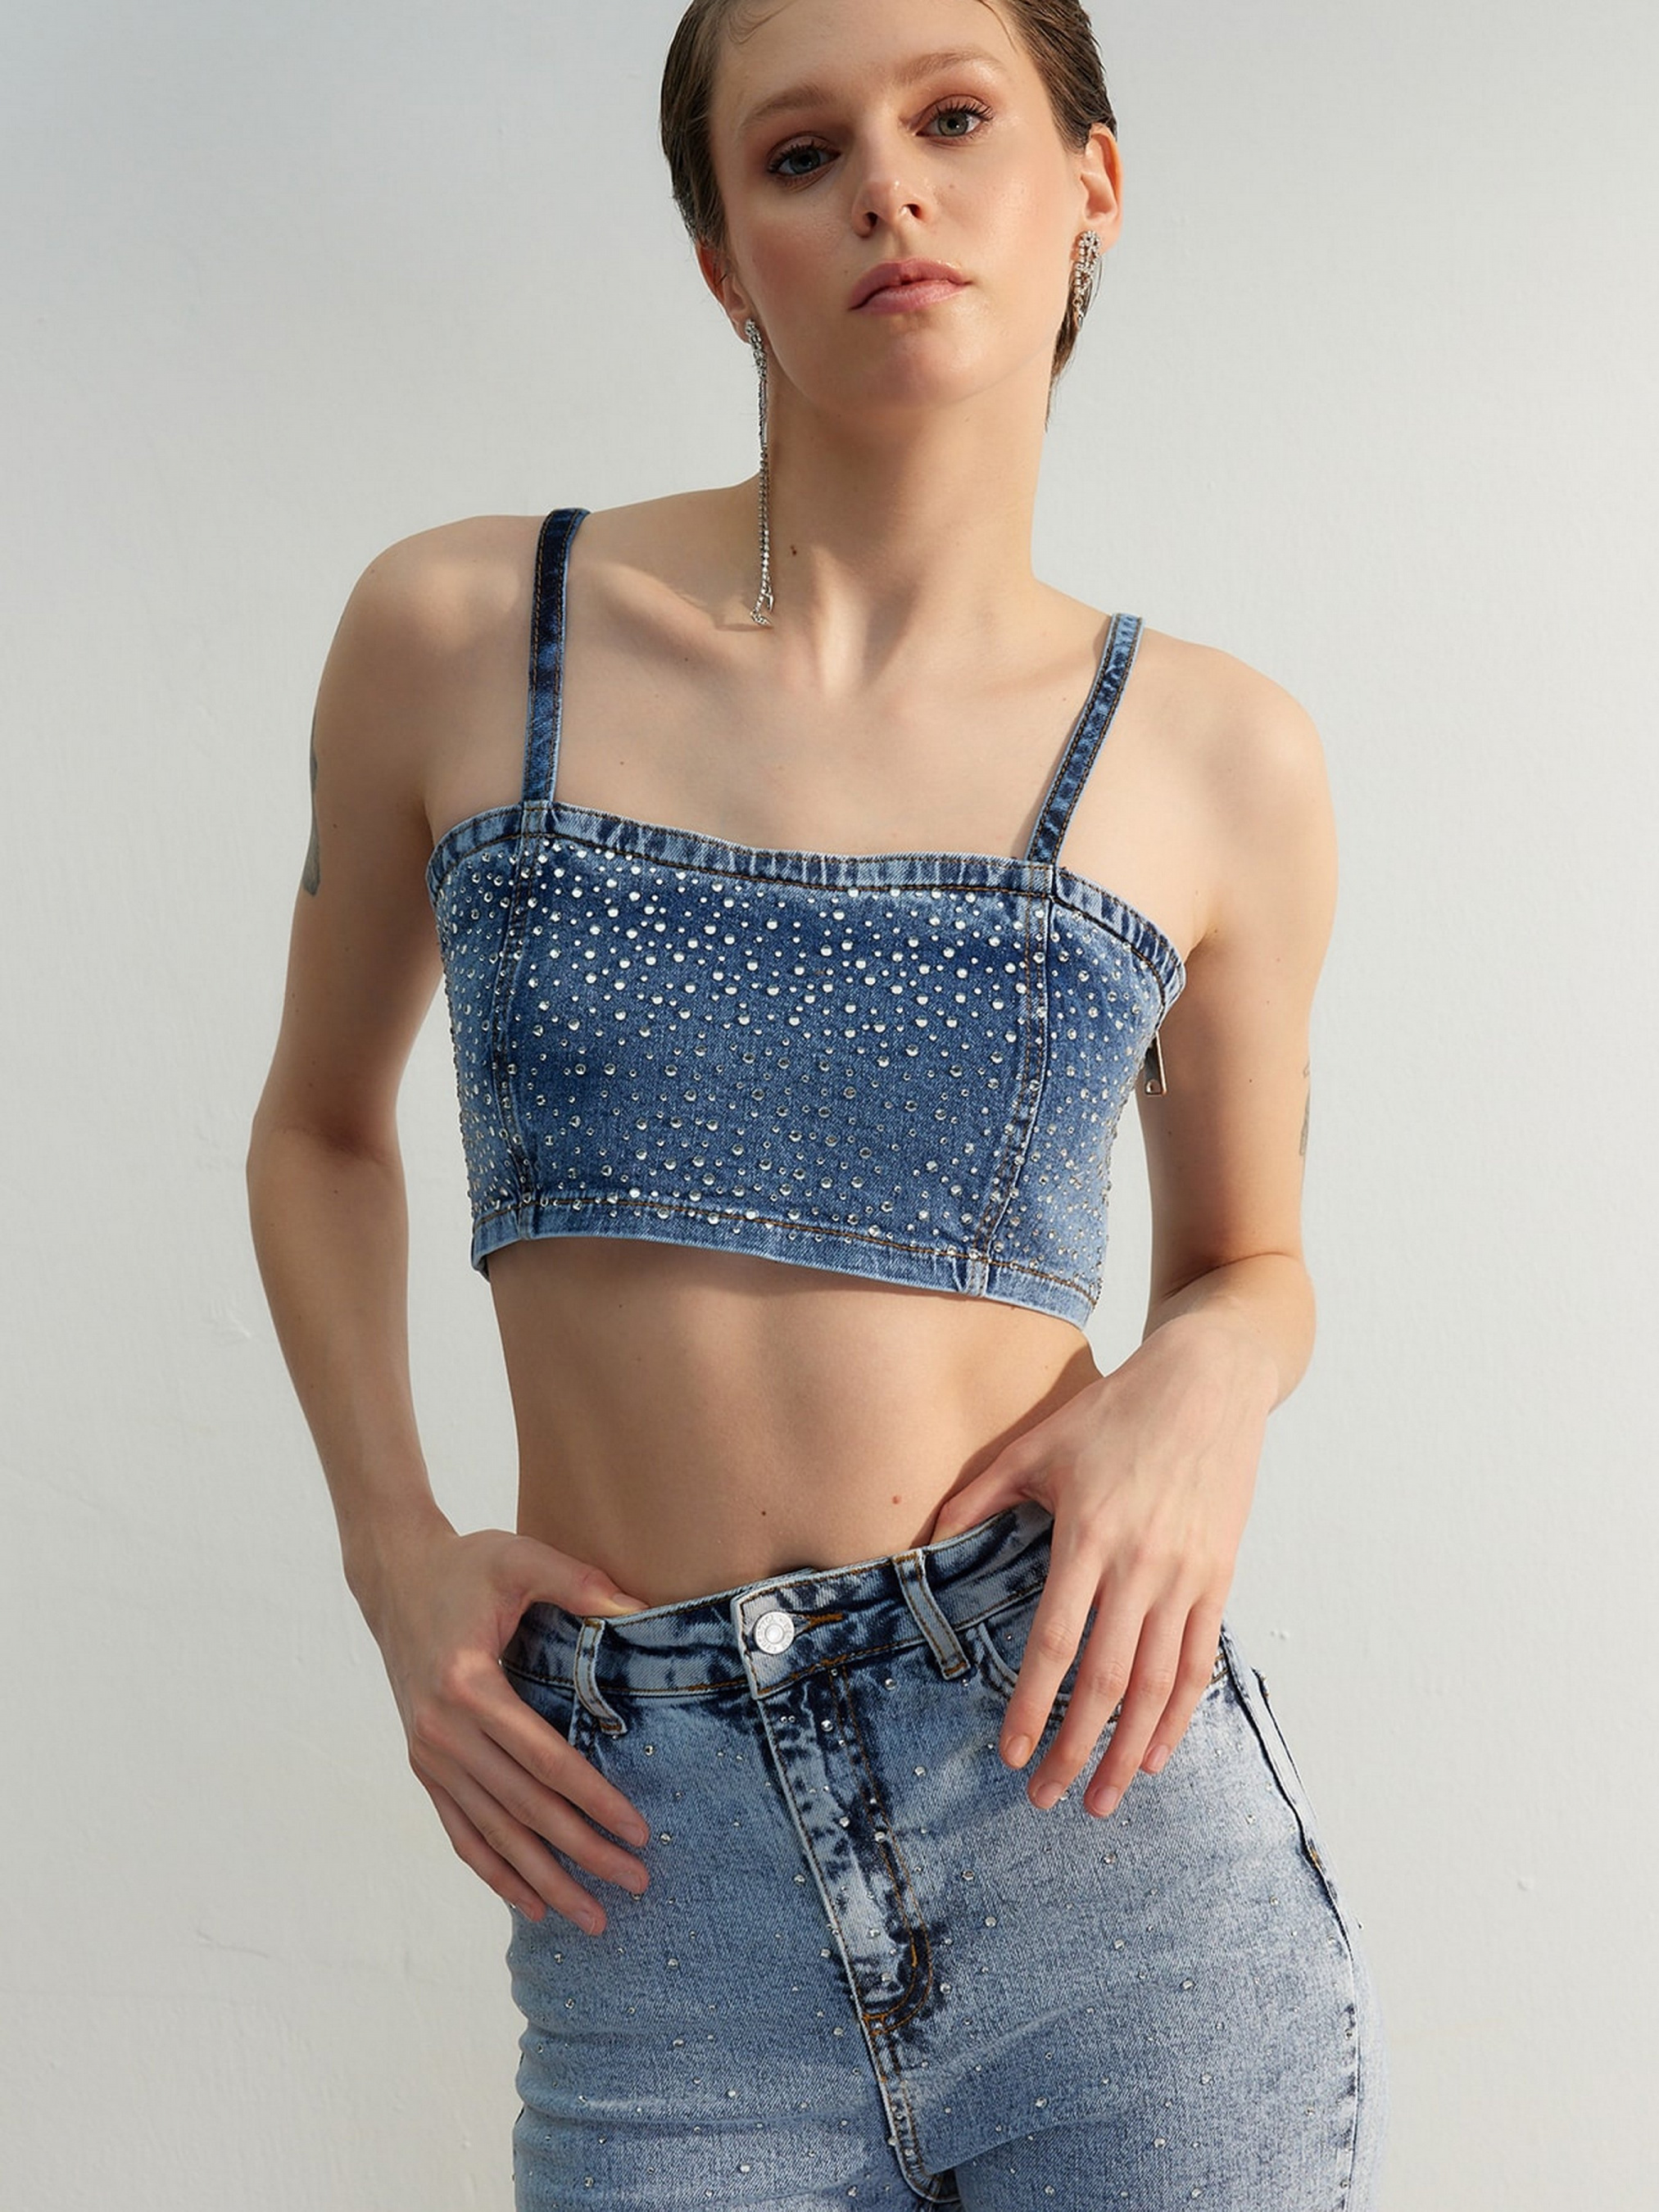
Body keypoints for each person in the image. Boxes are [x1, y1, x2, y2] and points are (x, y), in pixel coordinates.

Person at [246, 1, 1389, 2204]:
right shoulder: (465, 630)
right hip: (639, 1862)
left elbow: (1252, 1262)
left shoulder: (1218, 753)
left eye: (955, 115)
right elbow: (315, 1129)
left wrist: (1204, 1381)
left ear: (1089, 184)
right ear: (722, 259)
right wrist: (393, 1553)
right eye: (799, 153)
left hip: (1096, 1830)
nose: (888, 186)